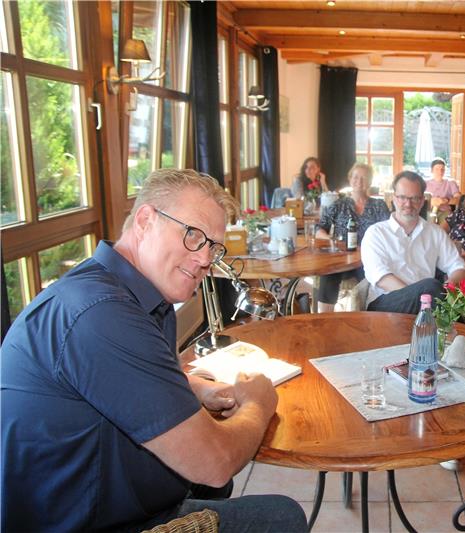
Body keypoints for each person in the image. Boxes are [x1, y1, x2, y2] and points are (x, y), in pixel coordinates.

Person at [1, 169, 307, 532]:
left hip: (103, 494)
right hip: (84, 522)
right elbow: (215, 461)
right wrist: (258, 402)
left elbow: (121, 380)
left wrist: (199, 388)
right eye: (193, 235)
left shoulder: (128, 292)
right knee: (280, 516)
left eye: (213, 246)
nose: (206, 258)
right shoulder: (101, 314)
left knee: (214, 487)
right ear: (145, 220)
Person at [361, 171, 465, 315]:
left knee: (434, 290)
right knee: (430, 286)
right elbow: (381, 278)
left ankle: (452, 333)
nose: (408, 204)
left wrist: (450, 285)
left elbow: (459, 267)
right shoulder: (376, 233)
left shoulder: (434, 232)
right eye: (402, 197)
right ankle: (458, 333)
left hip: (428, 301)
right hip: (386, 302)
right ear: (393, 198)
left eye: (414, 198)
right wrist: (418, 296)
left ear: (422, 201)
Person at [315, 163, 391, 312]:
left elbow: (388, 231)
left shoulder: (378, 205)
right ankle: (323, 319)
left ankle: (366, 319)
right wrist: (333, 241)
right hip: (343, 259)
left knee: (372, 281)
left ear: (369, 182)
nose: (359, 181)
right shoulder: (339, 204)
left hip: (369, 259)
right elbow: (319, 229)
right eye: (356, 177)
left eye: (364, 178)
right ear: (350, 179)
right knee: (328, 274)